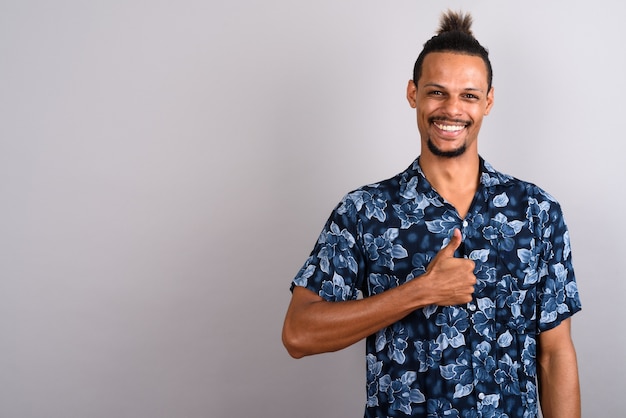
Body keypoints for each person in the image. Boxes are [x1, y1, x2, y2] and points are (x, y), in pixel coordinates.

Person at [282, 10, 581, 418]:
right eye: (437, 92)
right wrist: (420, 291)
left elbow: (555, 354)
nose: (452, 109)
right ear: (413, 94)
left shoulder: (537, 212)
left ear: (488, 101)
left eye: (469, 95)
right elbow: (299, 333)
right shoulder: (365, 212)